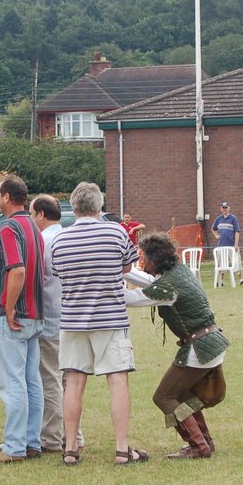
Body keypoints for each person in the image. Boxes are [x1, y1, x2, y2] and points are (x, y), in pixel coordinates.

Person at [51, 181, 147, 466]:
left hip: (72, 320)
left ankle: (70, 448)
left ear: (75, 207)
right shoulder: (116, 231)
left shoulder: (60, 239)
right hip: (110, 318)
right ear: (98, 206)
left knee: (74, 383)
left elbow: (58, 272)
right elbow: (127, 268)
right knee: (117, 380)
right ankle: (121, 448)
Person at [124, 233, 229, 459]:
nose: (142, 262)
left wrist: (100, 286)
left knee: (164, 397)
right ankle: (205, 442)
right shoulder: (178, 272)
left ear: (154, 259)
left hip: (199, 348)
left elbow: (131, 299)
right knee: (182, 394)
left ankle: (198, 446)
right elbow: (151, 281)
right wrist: (121, 269)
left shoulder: (169, 286)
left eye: (144, 258)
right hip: (210, 342)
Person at [0, 174, 44, 463]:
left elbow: (17, 270)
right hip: (36, 313)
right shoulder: (33, 226)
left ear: (7, 197)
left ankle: (14, 447)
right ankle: (32, 441)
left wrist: (8, 307)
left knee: (13, 383)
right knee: (32, 380)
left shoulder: (9, 228)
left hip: (15, 316)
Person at [31, 194, 65, 453]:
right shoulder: (67, 237)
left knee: (50, 379)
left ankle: (51, 437)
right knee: (68, 380)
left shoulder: (42, 241)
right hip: (71, 319)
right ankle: (71, 434)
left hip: (50, 319)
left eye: (32, 215)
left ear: (41, 214)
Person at [211, 201, 243, 285]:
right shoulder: (218, 219)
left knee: (237, 262)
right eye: (223, 208)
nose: (224, 209)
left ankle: (241, 280)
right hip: (221, 246)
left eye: (226, 208)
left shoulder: (233, 218)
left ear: (229, 208)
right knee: (221, 264)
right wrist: (216, 235)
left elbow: (237, 231)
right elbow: (213, 228)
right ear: (221, 209)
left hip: (232, 245)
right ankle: (220, 281)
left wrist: (236, 244)